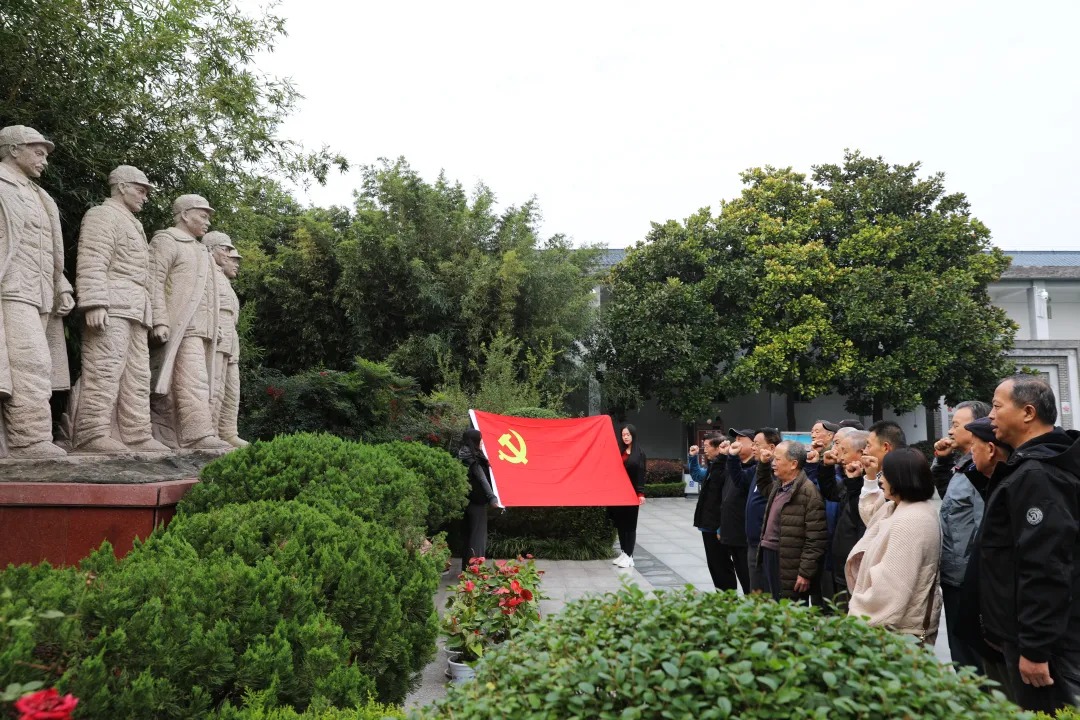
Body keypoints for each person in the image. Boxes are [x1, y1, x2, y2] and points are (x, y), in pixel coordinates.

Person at [981, 374, 1080, 712]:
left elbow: (1046, 564)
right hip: (1032, 638)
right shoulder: (1028, 467)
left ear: (1027, 412)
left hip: (1050, 647)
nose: (990, 415)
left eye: (996, 406)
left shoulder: (1039, 474)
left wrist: (1036, 648)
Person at [67, 166, 169, 453]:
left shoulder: (133, 223)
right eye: (141, 189)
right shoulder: (103, 215)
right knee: (104, 370)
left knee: (137, 375)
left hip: (136, 308)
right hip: (111, 304)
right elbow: (92, 259)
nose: (145, 196)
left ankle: (136, 434)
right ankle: (91, 433)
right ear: (122, 187)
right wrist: (95, 302)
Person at [0, 125, 74, 458]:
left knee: (37, 364)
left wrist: (62, 284)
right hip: (11, 287)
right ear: (13, 150)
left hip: (41, 291)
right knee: (31, 362)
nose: (44, 161)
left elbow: (53, 250)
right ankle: (28, 439)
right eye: (38, 152)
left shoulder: (41, 196)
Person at [846, 447, 942, 644]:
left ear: (900, 478)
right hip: (899, 625)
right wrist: (870, 478)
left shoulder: (911, 520)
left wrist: (857, 611)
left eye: (885, 475)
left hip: (900, 629)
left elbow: (890, 587)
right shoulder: (897, 507)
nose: (881, 480)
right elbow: (870, 512)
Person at [955, 417, 1016, 702]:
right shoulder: (993, 483)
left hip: (1011, 631)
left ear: (991, 449)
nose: (970, 454)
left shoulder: (1019, 486)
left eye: (974, 448)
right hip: (990, 626)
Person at [931, 400, 991, 672]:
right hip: (955, 574)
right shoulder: (964, 466)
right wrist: (943, 463)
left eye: (956, 425)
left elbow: (983, 526)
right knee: (960, 654)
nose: (950, 431)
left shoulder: (983, 471)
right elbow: (949, 499)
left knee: (972, 659)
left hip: (970, 577)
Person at [755, 440, 828, 601]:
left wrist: (805, 573)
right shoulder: (779, 485)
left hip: (789, 560)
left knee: (789, 610)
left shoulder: (809, 493)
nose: (774, 463)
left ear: (793, 464)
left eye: (778, 460)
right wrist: (763, 464)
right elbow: (763, 486)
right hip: (770, 553)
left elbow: (816, 540)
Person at [812, 428, 870, 606]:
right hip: (839, 562)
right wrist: (826, 467)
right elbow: (832, 493)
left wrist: (854, 481)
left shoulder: (870, 485)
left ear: (861, 453)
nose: (840, 456)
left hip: (857, 566)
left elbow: (859, 515)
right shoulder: (850, 479)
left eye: (844, 450)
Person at [689, 433, 741, 589]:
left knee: (722, 565)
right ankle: (723, 598)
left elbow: (727, 499)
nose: (705, 451)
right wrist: (692, 458)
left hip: (717, 526)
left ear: (719, 448)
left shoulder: (725, 468)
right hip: (708, 524)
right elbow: (698, 475)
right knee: (715, 565)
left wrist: (721, 526)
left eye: (707, 447)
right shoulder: (713, 466)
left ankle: (728, 600)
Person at [733, 428, 778, 593]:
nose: (753, 448)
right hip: (753, 541)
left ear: (772, 448)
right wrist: (731, 458)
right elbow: (739, 480)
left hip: (766, 541)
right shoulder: (758, 469)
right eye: (752, 444)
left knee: (764, 591)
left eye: (757, 444)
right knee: (755, 589)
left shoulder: (777, 473)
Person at [457, 428, 499, 571]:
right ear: (475, 440)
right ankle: (475, 572)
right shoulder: (474, 459)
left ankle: (467, 570)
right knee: (478, 537)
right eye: (480, 439)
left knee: (468, 536)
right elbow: (482, 479)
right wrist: (492, 498)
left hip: (463, 503)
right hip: (477, 504)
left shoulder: (459, 455)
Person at [610, 424, 646, 569]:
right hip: (619, 494)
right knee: (620, 524)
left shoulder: (639, 454)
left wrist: (641, 493)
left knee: (630, 526)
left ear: (633, 436)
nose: (625, 437)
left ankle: (630, 556)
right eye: (623, 434)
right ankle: (624, 553)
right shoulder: (620, 452)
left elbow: (641, 474)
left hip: (631, 494)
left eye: (628, 435)